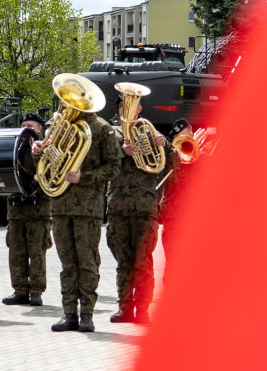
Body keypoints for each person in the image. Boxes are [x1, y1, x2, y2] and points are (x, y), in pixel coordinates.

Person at [40, 102, 122, 333]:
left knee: (86, 262)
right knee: (67, 264)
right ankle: (69, 314)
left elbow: (115, 166)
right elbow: (50, 162)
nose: (68, 104)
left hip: (88, 207)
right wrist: (42, 150)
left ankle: (87, 314)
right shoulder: (61, 126)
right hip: (61, 205)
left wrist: (83, 177)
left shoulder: (102, 128)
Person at [106, 97, 170, 324]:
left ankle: (142, 310)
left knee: (143, 262)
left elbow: (171, 164)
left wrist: (165, 145)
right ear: (119, 110)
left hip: (144, 208)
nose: (129, 109)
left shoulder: (149, 132)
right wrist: (122, 152)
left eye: (133, 105)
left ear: (140, 108)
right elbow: (101, 164)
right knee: (123, 262)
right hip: (118, 208)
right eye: (124, 106)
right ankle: (124, 308)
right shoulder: (111, 135)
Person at [3, 113, 53, 307]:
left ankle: (36, 291)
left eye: (30, 126)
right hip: (16, 210)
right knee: (16, 252)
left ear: (40, 129)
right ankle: (20, 290)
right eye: (23, 125)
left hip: (38, 210)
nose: (26, 128)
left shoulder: (48, 148)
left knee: (37, 252)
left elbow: (50, 174)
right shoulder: (15, 147)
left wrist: (38, 155)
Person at [159, 118, 195, 292]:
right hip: (172, 214)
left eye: (188, 132)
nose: (187, 136)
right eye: (182, 134)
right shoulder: (168, 156)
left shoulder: (198, 157)